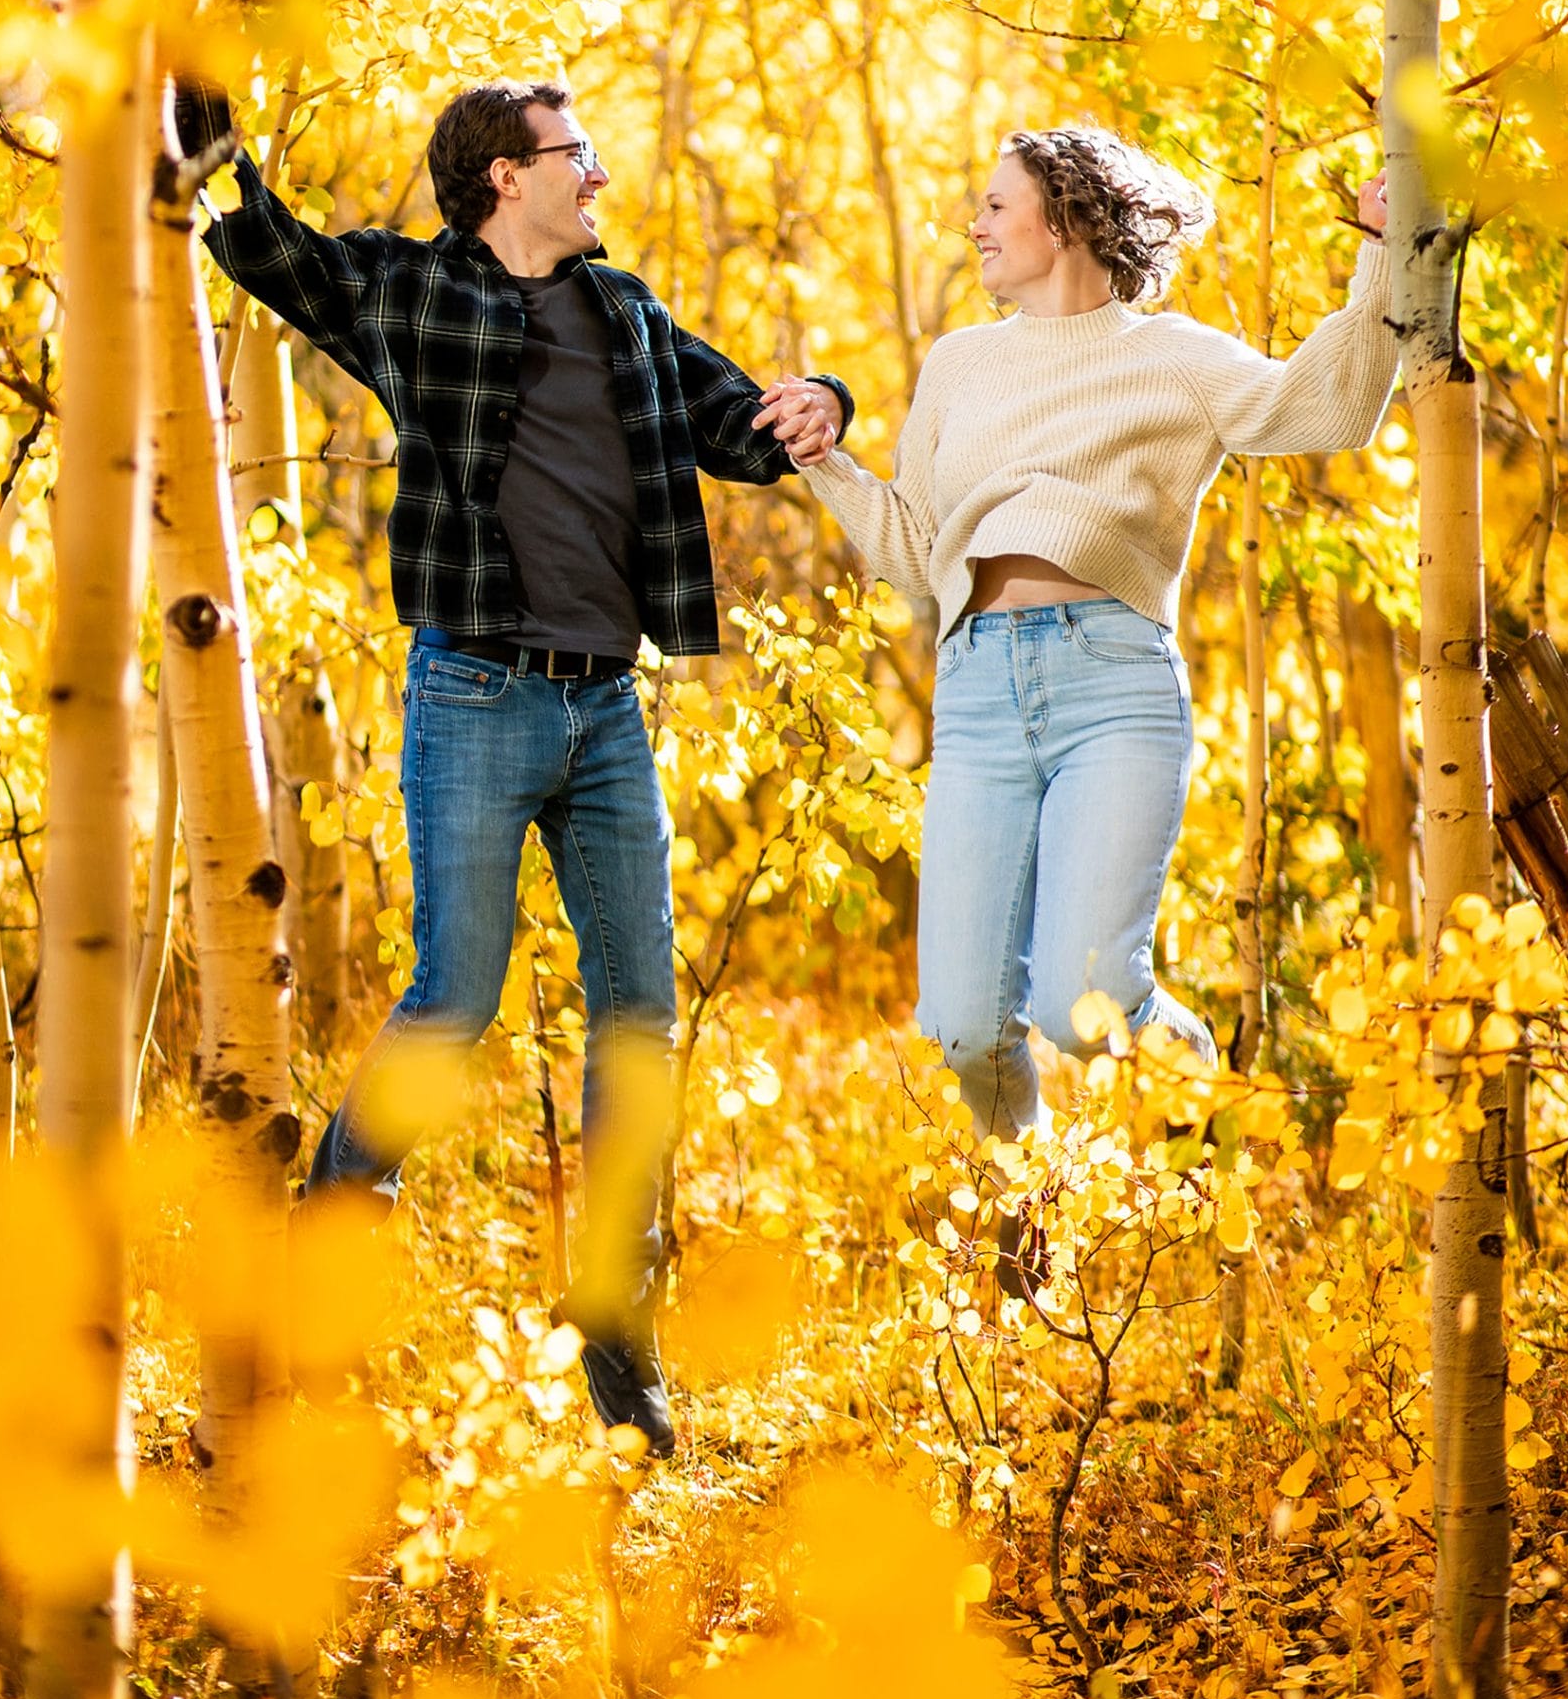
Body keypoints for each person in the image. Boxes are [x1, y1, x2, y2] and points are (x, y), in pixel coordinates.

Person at [178, 76, 851, 1457]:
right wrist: (215, 155)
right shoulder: (412, 299)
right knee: (453, 998)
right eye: (574, 154)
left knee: (639, 1017)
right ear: (502, 175)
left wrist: (819, 399)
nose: (595, 174)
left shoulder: (627, 311)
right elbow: (278, 255)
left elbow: (741, 428)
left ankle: (614, 1320)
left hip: (605, 711)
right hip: (475, 692)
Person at [766, 122, 1396, 1167]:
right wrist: (827, 464)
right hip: (973, 692)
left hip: (1112, 686)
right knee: (964, 1026)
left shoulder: (1173, 357)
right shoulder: (958, 365)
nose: (972, 226)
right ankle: (1020, 1199)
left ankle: (1204, 1086)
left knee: (1081, 1006)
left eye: (993, 205)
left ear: (1064, 218)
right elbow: (919, 556)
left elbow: (1323, 407)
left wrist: (1379, 247)